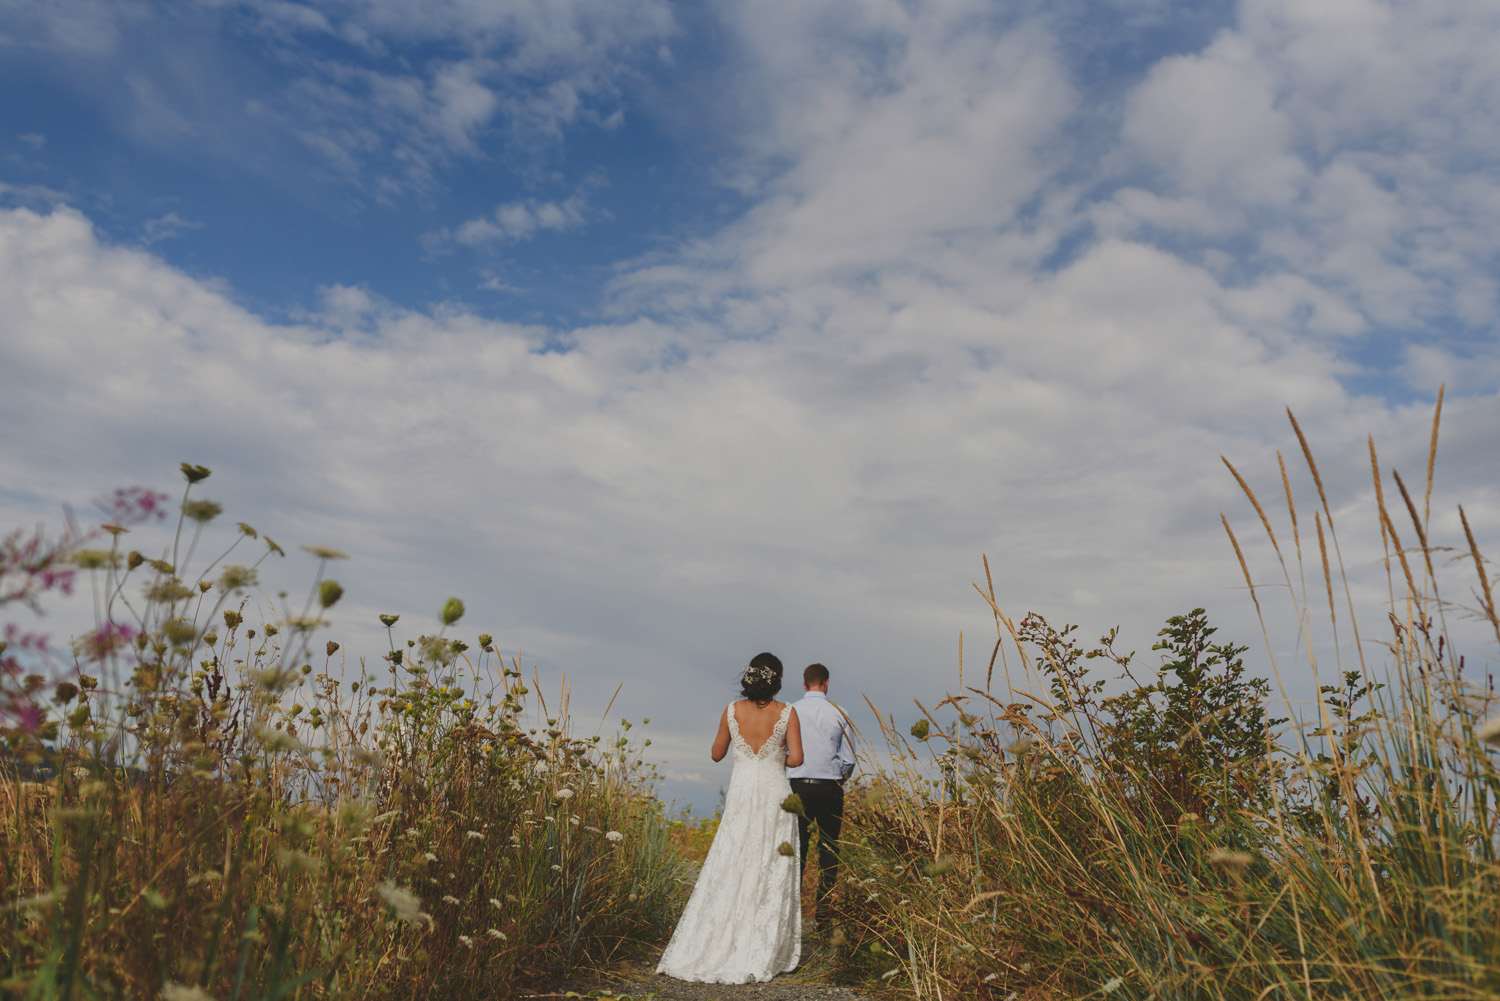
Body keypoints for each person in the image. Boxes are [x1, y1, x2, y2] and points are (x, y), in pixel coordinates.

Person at [656, 653, 805, 983]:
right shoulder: (788, 712)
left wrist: (743, 746)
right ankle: (761, 947)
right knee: (770, 863)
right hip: (774, 792)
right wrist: (774, 753)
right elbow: (796, 759)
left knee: (733, 858)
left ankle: (720, 940)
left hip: (740, 792)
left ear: (749, 677)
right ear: (776, 679)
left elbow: (716, 753)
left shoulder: (731, 711)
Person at [786, 662, 855, 925]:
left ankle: (792, 910)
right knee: (829, 847)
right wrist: (839, 779)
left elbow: (783, 752)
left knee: (797, 848)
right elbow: (848, 759)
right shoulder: (840, 712)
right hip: (830, 787)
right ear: (826, 683)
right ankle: (823, 912)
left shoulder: (790, 710)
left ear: (804, 684)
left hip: (797, 786)